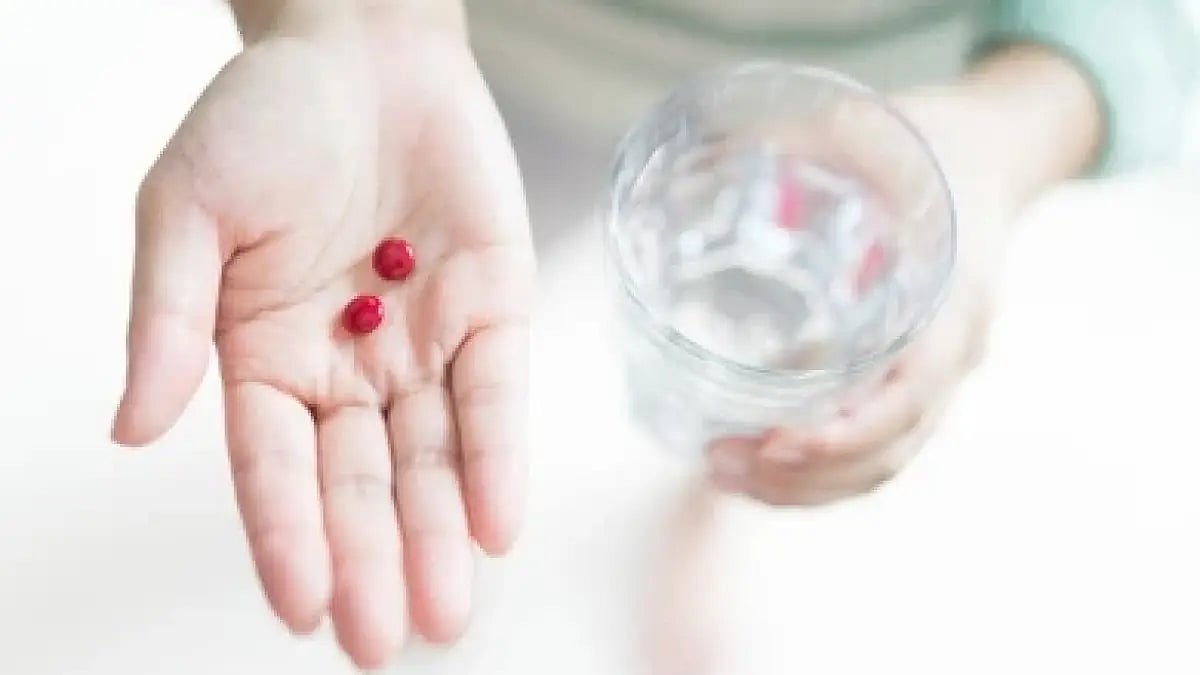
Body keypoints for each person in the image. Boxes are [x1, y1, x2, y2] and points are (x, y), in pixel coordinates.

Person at [109, 0, 1198, 669]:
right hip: (475, 63)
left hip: (865, 118)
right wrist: (351, 22)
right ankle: (471, 500)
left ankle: (714, 491)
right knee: (458, 316)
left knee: (777, 383)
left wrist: (1015, 124)